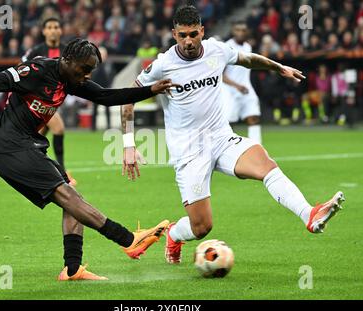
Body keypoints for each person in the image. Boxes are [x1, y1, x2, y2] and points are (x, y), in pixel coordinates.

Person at [120, 5, 345, 265]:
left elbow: (248, 59)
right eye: (183, 35)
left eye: (193, 34)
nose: (189, 41)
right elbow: (128, 97)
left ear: (202, 31)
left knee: (265, 163)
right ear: (174, 34)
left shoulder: (217, 50)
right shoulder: (163, 65)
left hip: (221, 138)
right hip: (189, 151)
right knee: (202, 227)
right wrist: (128, 144)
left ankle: (309, 214)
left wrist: (278, 67)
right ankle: (173, 233)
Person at [0, 38, 175, 280]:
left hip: (29, 147)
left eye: (90, 71)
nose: (86, 75)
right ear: (67, 60)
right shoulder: (36, 71)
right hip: (11, 150)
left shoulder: (70, 79)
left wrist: (149, 90)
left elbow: (106, 96)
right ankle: (128, 239)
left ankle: (72, 269)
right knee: (69, 196)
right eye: (84, 69)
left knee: (72, 198)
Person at [22, 17, 76, 185]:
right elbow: (23, 71)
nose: (53, 30)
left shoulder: (67, 51)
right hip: (38, 100)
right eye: (49, 27)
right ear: (44, 31)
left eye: (56, 27)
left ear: (60, 30)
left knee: (36, 138)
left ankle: (26, 166)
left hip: (57, 100)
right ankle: (63, 174)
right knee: (58, 129)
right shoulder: (35, 52)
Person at [221, 21, 262, 144]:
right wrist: (237, 86)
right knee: (229, 122)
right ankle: (226, 148)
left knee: (254, 117)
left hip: (246, 88)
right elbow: (220, 74)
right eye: (237, 30)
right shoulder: (226, 47)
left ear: (247, 32)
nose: (240, 32)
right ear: (233, 31)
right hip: (229, 90)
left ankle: (257, 148)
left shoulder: (248, 47)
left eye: (243, 30)